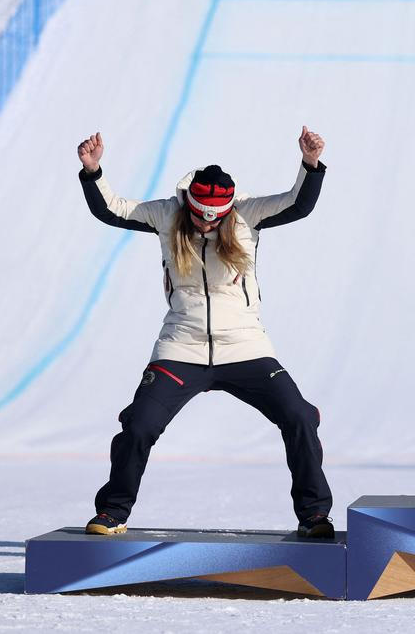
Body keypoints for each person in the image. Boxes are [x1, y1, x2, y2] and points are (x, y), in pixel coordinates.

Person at [76, 127, 334, 537]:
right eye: (200, 215)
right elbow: (113, 210)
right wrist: (93, 172)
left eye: (217, 217)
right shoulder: (166, 214)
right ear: (189, 204)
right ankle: (112, 511)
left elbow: (298, 204)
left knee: (300, 416)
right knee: (139, 424)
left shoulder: (249, 213)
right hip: (182, 347)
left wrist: (310, 164)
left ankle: (315, 515)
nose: (208, 223)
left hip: (246, 347)